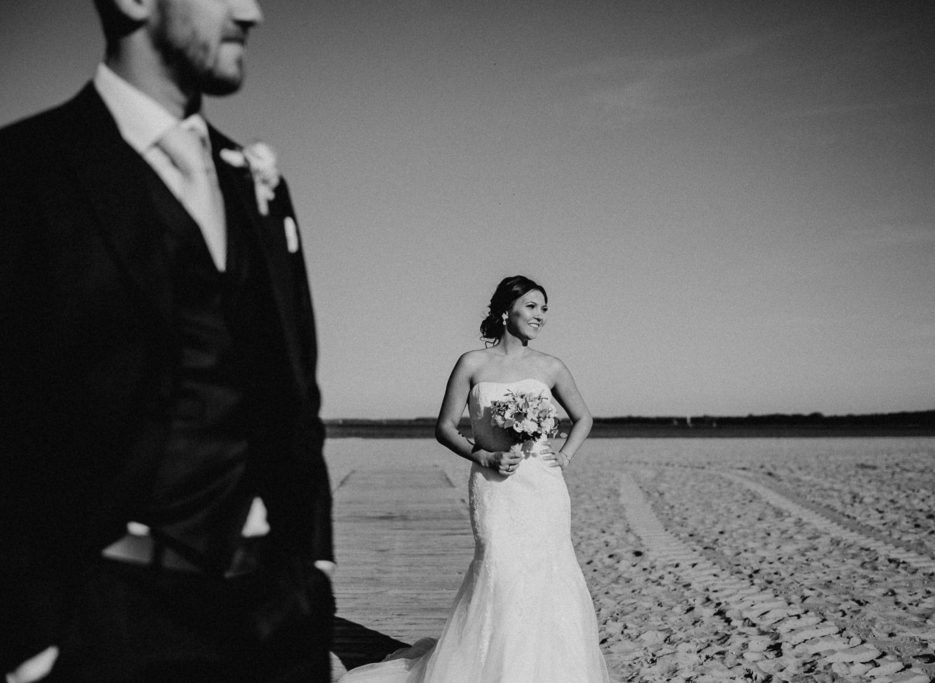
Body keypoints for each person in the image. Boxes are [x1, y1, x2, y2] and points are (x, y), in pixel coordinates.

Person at [0, 1, 335, 680]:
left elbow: (297, 392)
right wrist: (27, 636)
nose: (254, 11)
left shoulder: (257, 183)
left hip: (273, 620)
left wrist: (314, 569)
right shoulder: (24, 172)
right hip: (107, 629)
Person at [339, 275, 610, 682]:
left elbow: (583, 417)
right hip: (494, 486)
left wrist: (565, 454)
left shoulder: (550, 366)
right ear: (506, 310)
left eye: (545, 309)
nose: (541, 316)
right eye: (533, 306)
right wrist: (482, 454)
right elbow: (445, 427)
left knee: (550, 574)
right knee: (498, 569)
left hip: (542, 486)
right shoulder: (471, 363)